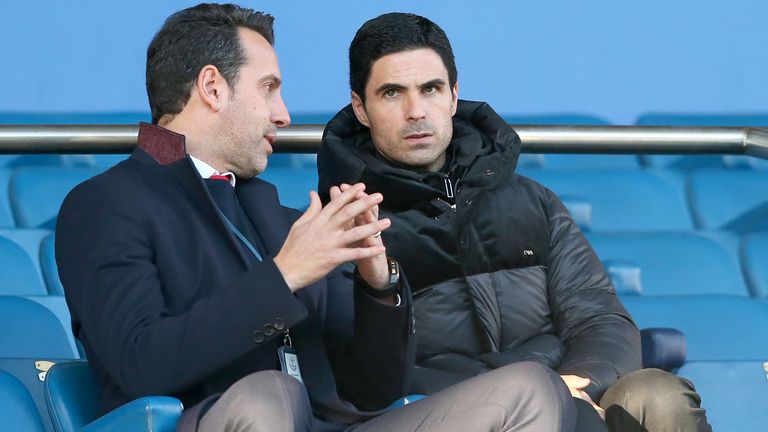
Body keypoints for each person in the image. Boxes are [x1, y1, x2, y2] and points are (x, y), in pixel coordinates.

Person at [56, 4, 577, 432]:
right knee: (268, 397)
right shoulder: (105, 203)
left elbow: (371, 393)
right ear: (213, 88)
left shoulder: (281, 216)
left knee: (529, 389)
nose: (283, 113)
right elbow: (142, 364)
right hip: (217, 421)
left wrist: (379, 287)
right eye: (268, 88)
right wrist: (285, 274)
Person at [318, 12, 712, 432]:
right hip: (452, 410)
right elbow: (364, 381)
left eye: (430, 89)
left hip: (568, 383)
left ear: (453, 96)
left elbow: (601, 320)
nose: (416, 111)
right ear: (361, 107)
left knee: (657, 394)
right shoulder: (343, 224)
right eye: (392, 93)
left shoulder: (531, 199)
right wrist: (535, 392)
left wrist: (576, 383)